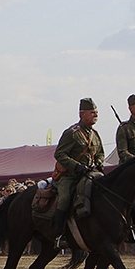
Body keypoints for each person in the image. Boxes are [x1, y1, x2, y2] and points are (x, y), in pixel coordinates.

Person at [53, 98, 105, 249]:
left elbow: (100, 153)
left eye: (96, 112)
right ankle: (59, 235)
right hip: (71, 176)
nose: (96, 114)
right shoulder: (72, 133)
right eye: (92, 112)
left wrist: (99, 162)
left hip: (91, 175)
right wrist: (77, 166)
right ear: (82, 114)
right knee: (65, 199)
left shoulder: (95, 134)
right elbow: (60, 154)